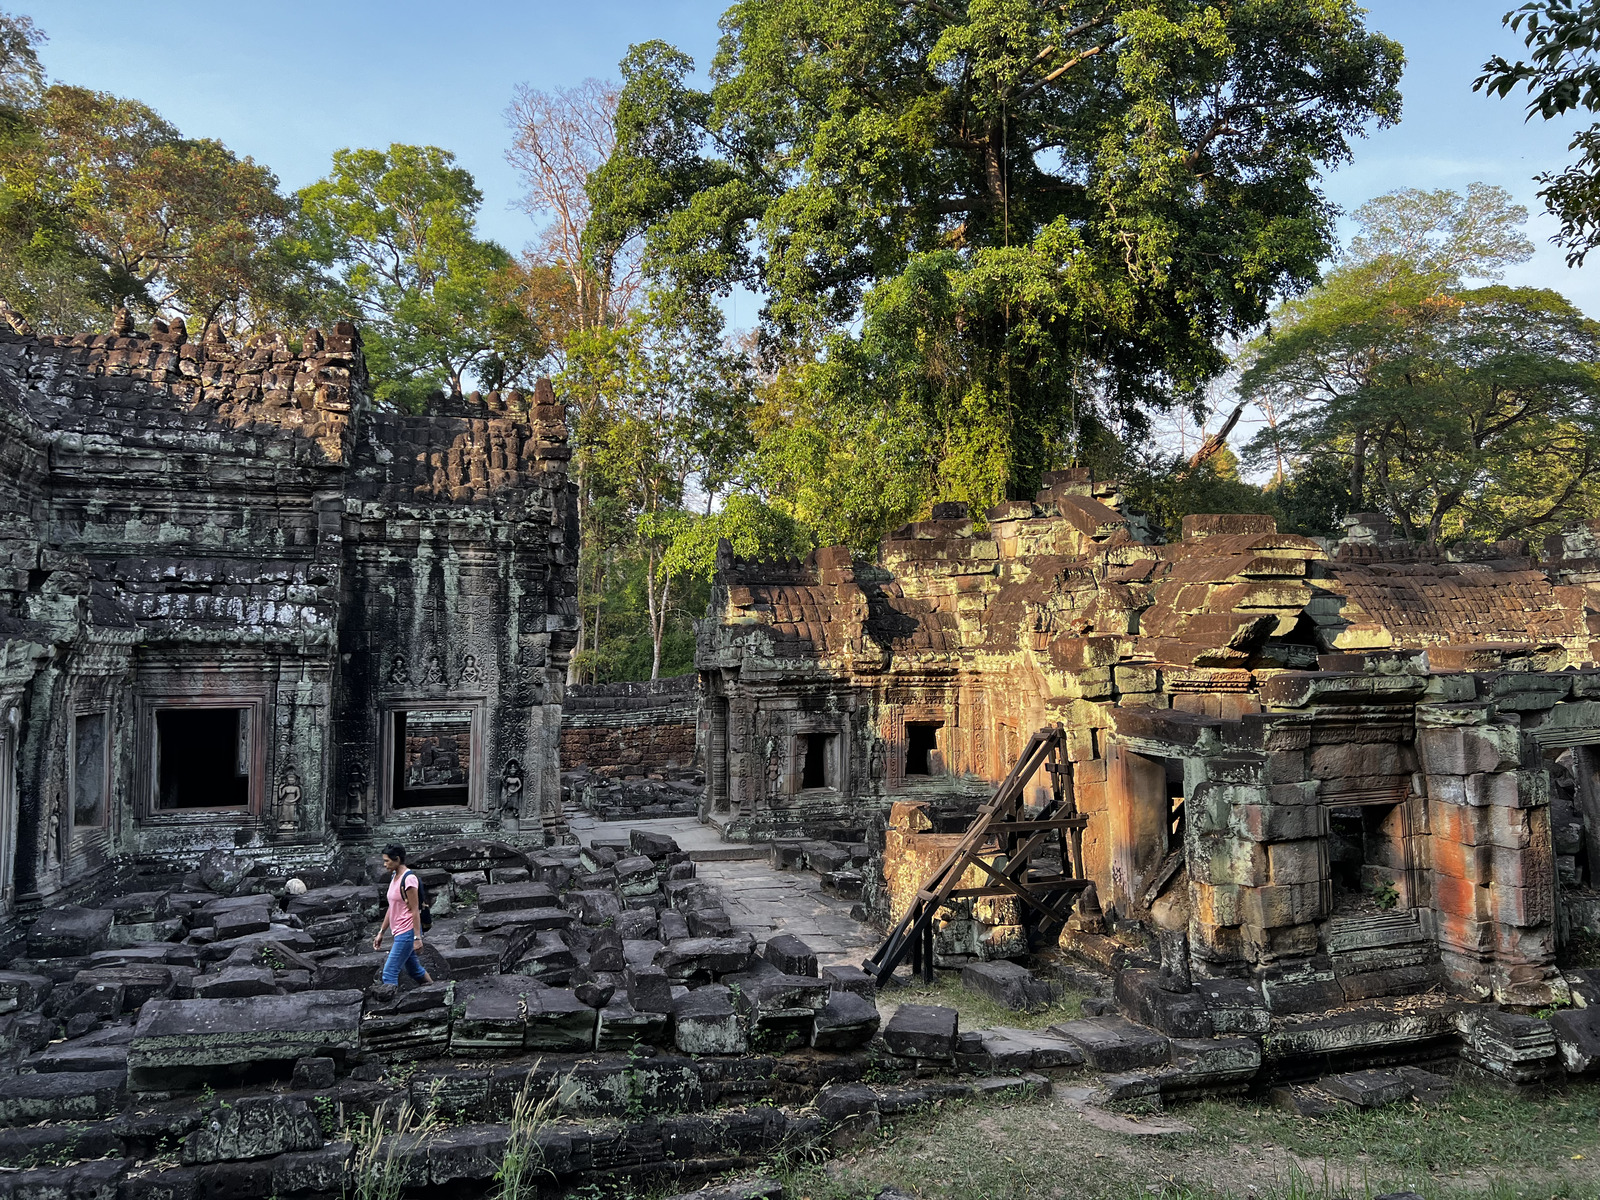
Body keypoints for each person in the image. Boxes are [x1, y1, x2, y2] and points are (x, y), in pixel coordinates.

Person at [372, 844, 433, 986]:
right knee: (415, 970)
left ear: (397, 859)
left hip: (407, 931)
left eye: (387, 861)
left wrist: (417, 938)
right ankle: (438, 991)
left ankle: (390, 1006)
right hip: (398, 931)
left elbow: (415, 910)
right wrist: (381, 932)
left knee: (389, 973)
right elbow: (392, 907)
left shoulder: (409, 879)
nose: (384, 864)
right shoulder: (395, 876)